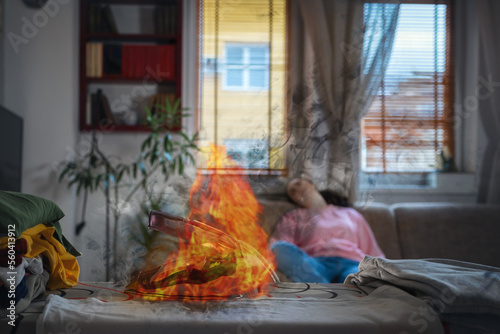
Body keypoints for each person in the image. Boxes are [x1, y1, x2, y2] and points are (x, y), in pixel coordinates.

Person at [269, 177, 385, 283]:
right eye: (292, 191)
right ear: (293, 199)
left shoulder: (350, 214)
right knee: (278, 248)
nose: (297, 190)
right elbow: (278, 245)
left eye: (298, 183)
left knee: (359, 277)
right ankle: (326, 290)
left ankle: (327, 293)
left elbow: (372, 250)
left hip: (352, 263)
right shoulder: (293, 217)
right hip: (316, 265)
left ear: (312, 184)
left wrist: (386, 271)